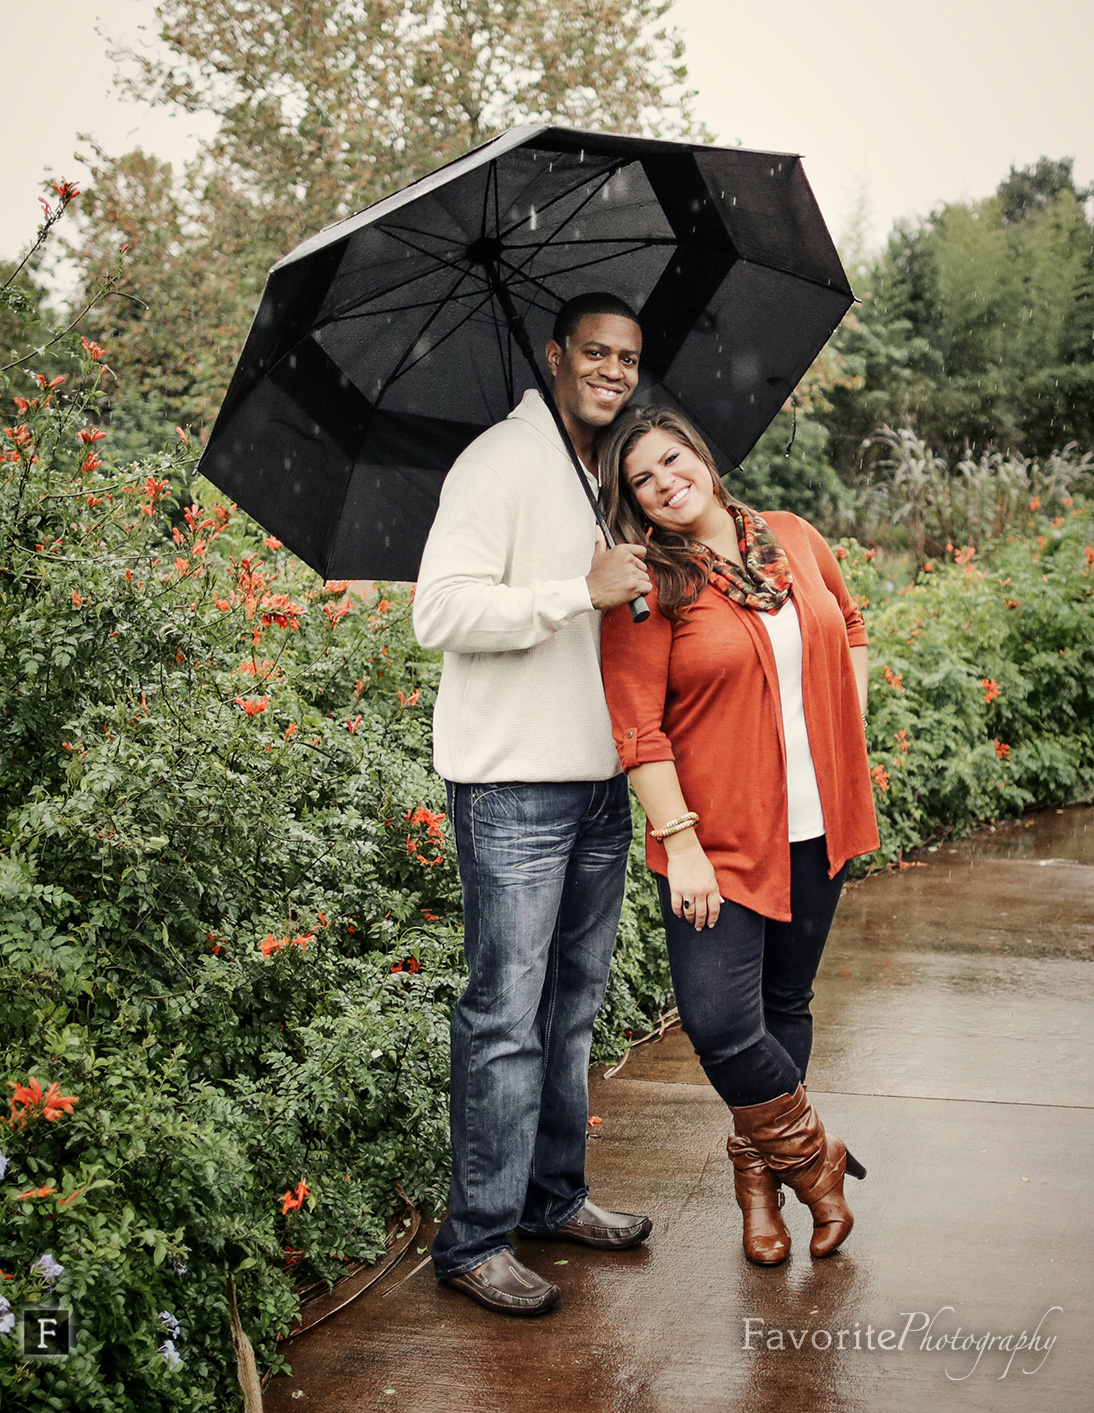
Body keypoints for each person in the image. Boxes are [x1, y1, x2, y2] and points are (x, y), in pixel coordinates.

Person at [412, 293, 655, 1316]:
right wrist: (575, 592)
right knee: (505, 1017)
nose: (612, 370)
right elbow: (441, 610)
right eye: (595, 351)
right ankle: (475, 1239)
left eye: (628, 357)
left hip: (598, 787)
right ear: (555, 354)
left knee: (572, 1012)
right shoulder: (498, 463)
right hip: (513, 787)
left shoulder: (600, 472)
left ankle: (555, 1198)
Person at [597, 404, 879, 1265]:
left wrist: (846, 735)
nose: (664, 481)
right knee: (720, 1022)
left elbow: (851, 624)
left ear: (703, 456)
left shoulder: (793, 535)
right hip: (712, 842)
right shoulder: (650, 584)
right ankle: (816, 1162)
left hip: (815, 824)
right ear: (636, 501)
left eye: (673, 458)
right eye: (643, 478)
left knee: (785, 1006)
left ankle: (759, 1193)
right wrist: (680, 842)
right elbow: (637, 728)